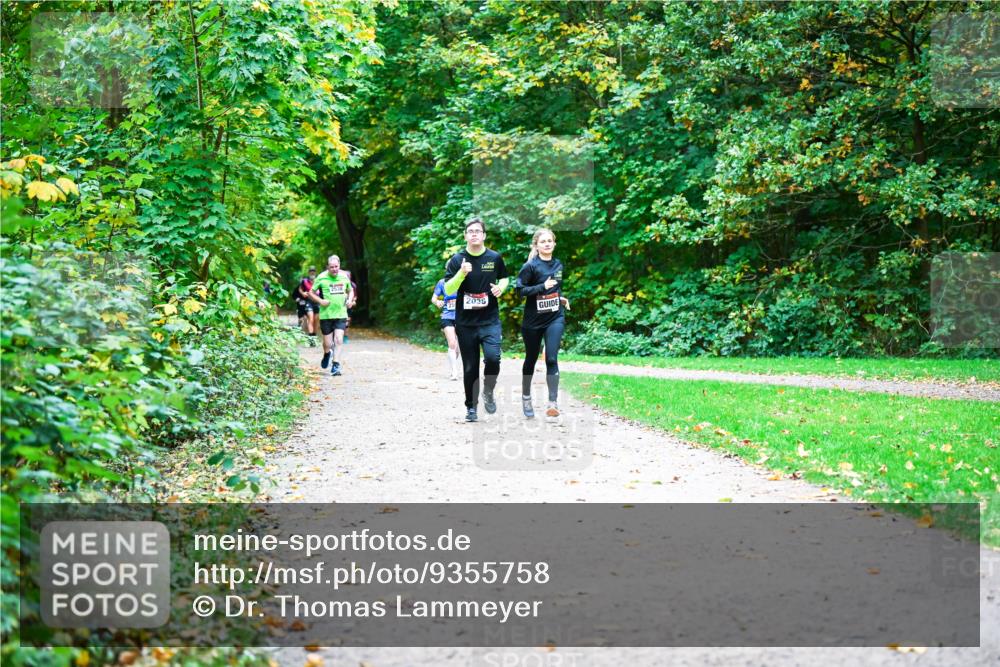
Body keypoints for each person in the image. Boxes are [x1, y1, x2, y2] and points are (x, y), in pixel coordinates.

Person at [444, 217, 509, 422]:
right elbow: (448, 289)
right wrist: (461, 274)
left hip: (490, 320)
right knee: (470, 367)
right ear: (465, 236)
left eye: (477, 231)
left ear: (484, 235)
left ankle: (488, 391)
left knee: (493, 358)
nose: (474, 234)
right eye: (470, 231)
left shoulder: (494, 257)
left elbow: (505, 277)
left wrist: (501, 287)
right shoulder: (457, 260)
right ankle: (471, 407)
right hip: (466, 323)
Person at [516, 228, 570, 418]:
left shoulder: (558, 265)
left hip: (555, 316)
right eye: (543, 241)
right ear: (537, 245)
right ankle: (526, 397)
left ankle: (552, 402)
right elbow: (520, 290)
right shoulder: (530, 266)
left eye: (550, 241)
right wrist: (541, 287)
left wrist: (561, 298)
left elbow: (556, 288)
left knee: (552, 358)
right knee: (530, 359)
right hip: (533, 321)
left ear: (554, 244)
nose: (547, 244)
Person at [309, 255, 354, 376]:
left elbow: (350, 290)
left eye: (336, 266)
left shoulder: (344, 276)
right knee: (328, 344)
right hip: (326, 315)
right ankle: (327, 353)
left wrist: (349, 300)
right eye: (332, 267)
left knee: (339, 339)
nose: (334, 269)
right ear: (327, 267)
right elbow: (311, 293)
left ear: (339, 266)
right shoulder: (321, 277)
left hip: (340, 313)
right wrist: (320, 301)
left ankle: (336, 365)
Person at [431, 274, 460, 380]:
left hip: (463, 318)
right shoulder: (442, 282)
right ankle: (454, 371)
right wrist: (437, 301)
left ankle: (454, 365)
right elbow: (433, 298)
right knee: (452, 343)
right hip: (447, 316)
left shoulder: (464, 281)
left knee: (458, 348)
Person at [296, 267, 318, 345]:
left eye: (313, 271)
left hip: (318, 302)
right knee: (310, 319)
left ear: (315, 272)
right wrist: (303, 293)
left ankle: (314, 336)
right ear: (308, 272)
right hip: (309, 302)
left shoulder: (319, 280)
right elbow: (300, 289)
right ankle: (311, 337)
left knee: (316, 320)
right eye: (311, 271)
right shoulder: (304, 281)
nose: (312, 272)